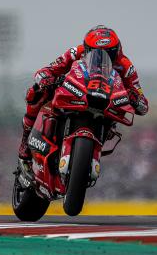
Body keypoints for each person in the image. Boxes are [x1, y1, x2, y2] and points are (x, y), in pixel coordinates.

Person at [18, 25, 149, 161]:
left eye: (108, 53)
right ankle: (25, 139)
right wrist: (47, 79)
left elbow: (143, 105)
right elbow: (46, 70)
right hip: (76, 92)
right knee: (35, 92)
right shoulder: (76, 52)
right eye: (95, 52)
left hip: (105, 104)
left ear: (117, 50)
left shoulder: (126, 66)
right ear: (86, 49)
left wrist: (135, 98)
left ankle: (91, 153)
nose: (101, 58)